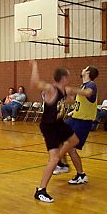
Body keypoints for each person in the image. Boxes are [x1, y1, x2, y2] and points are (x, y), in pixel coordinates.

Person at [30, 61, 79, 203]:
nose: (69, 79)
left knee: (75, 140)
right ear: (63, 78)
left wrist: (70, 100)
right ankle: (40, 190)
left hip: (59, 124)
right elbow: (35, 83)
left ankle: (61, 162)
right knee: (54, 158)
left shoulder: (64, 90)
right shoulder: (51, 89)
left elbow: (68, 100)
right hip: (49, 127)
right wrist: (34, 65)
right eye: (68, 77)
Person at [64, 65, 99, 185]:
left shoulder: (91, 85)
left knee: (71, 148)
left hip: (83, 122)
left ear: (88, 72)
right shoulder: (82, 86)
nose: (82, 69)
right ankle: (61, 165)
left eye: (84, 68)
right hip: (74, 118)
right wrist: (69, 98)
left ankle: (81, 174)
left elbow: (88, 93)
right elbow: (76, 102)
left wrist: (73, 90)